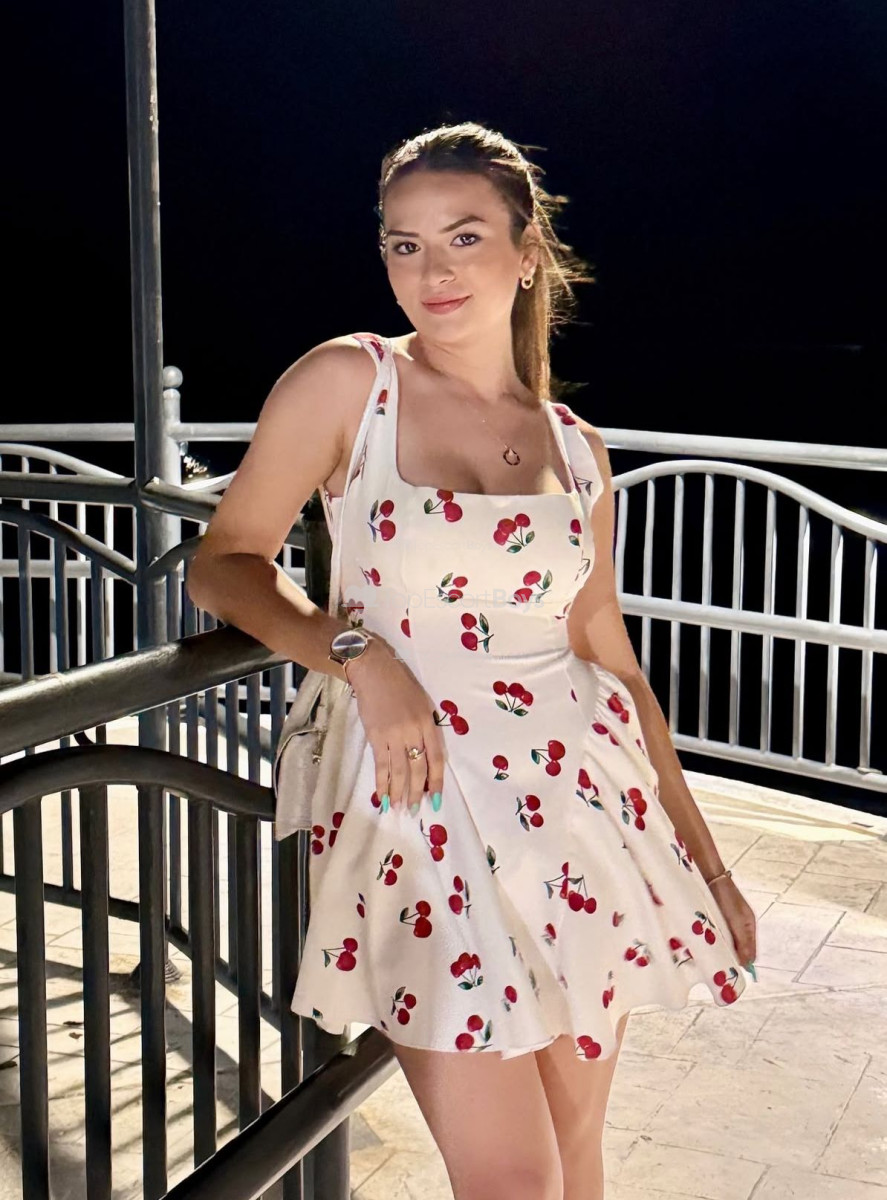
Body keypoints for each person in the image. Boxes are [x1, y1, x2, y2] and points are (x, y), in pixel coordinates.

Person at [187, 121, 758, 1200]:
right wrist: (357, 654)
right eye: (403, 245)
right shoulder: (349, 382)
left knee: (576, 1164)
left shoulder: (575, 446)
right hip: (418, 810)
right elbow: (222, 563)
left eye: (462, 237)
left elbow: (612, 664)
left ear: (526, 252)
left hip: (579, 813)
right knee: (513, 1181)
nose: (431, 271)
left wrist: (708, 867)